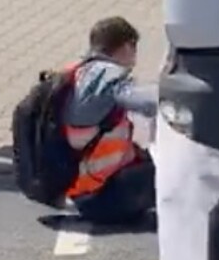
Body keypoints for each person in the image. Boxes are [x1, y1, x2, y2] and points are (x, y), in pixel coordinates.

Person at [62, 16, 158, 225]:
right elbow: (146, 102)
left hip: (83, 191)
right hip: (102, 196)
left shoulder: (78, 71)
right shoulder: (106, 77)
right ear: (126, 46)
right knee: (177, 172)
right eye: (134, 48)